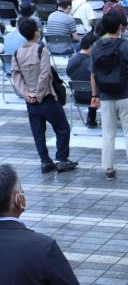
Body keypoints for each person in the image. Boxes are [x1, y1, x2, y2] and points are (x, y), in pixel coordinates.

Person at [11, 19, 77, 173]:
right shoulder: (42, 50)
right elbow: (44, 73)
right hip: (46, 97)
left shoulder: (17, 52)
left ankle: (45, 161)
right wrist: (39, 93)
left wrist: (26, 93)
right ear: (36, 32)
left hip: (30, 100)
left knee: (38, 132)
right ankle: (61, 159)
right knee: (62, 128)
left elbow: (16, 76)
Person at [90, 10, 128, 181]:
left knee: (108, 132)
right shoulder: (126, 45)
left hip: (106, 95)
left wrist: (95, 95)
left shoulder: (97, 46)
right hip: (126, 93)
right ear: (121, 26)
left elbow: (93, 74)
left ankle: (109, 168)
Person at [67, 32, 99, 128]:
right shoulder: (94, 61)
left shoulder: (71, 59)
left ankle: (91, 118)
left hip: (78, 96)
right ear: (91, 46)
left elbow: (69, 74)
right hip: (95, 98)